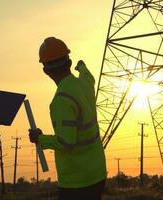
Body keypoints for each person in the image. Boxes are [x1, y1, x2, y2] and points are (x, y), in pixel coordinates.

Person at [28, 37, 107, 200]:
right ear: (69, 62)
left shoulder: (61, 100)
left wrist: (40, 139)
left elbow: (66, 142)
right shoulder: (84, 84)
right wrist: (81, 67)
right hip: (98, 173)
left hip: (77, 181)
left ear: (46, 70)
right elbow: (88, 76)